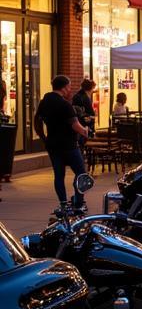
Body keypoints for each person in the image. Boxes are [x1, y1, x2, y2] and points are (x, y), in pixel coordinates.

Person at [34, 75, 89, 209]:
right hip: (69, 145)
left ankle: (63, 203)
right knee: (81, 173)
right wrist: (85, 131)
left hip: (53, 145)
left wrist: (44, 138)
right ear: (64, 88)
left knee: (59, 175)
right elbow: (75, 125)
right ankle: (78, 202)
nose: (70, 89)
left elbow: (37, 121)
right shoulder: (65, 104)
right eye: (69, 87)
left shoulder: (44, 102)